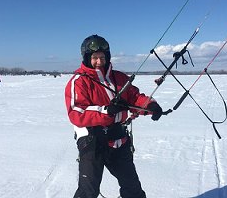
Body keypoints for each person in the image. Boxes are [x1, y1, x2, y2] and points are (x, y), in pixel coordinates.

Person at [65, 34, 163, 198]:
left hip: (118, 139)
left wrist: (150, 105)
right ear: (87, 58)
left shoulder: (119, 77)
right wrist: (106, 111)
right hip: (92, 141)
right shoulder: (79, 81)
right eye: (95, 57)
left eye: (102, 57)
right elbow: (76, 113)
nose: (99, 61)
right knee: (87, 192)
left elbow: (134, 97)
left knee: (132, 188)